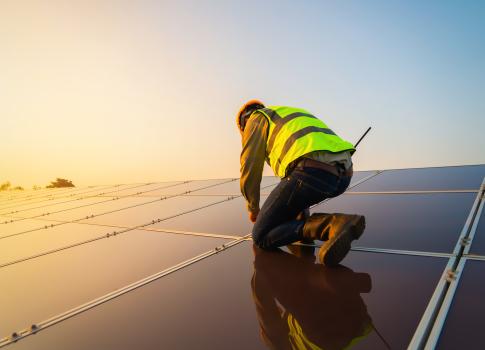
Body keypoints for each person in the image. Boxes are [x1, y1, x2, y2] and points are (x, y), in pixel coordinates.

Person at [237, 100, 365, 266]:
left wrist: (253, 209)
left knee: (261, 235)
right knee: (293, 204)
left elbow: (250, 166)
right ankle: (305, 243)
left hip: (311, 170)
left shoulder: (255, 118)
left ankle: (333, 225)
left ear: (243, 123)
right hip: (343, 175)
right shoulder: (288, 114)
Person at [251, 245, 373, 349]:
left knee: (310, 283)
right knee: (271, 267)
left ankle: (337, 280)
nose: (280, 310)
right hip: (324, 335)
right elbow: (264, 309)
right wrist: (260, 261)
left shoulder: (292, 318)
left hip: (355, 321)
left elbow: (302, 268)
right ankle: (334, 280)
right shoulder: (278, 343)